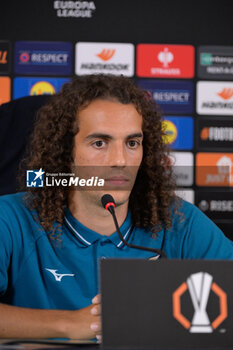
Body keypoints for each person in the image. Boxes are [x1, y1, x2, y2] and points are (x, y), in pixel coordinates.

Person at [0, 74, 232, 340]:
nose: (120, 160)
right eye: (100, 143)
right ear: (65, 152)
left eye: (132, 143)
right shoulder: (10, 219)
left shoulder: (178, 220)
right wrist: (70, 323)